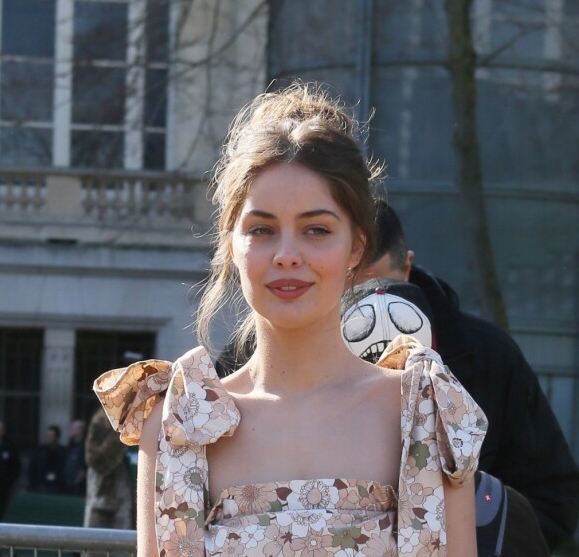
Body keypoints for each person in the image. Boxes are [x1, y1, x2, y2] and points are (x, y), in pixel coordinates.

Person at [93, 83, 487, 556]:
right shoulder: (179, 425)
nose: (286, 255)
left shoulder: (424, 415)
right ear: (232, 246)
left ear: (355, 247)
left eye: (315, 230)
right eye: (262, 230)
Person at [361, 200, 579, 553]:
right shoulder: (262, 366)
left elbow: (554, 498)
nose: (365, 306)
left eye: (374, 285)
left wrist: (480, 527)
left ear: (406, 269)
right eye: (346, 288)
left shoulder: (488, 355)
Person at [83, 408, 133, 531]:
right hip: (105, 493)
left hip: (126, 492)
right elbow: (94, 458)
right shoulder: (103, 419)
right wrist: (121, 434)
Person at [27, 425, 66, 494]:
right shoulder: (39, 450)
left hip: (56, 485)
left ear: (56, 438)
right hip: (41, 484)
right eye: (48, 436)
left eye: (51, 436)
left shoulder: (62, 452)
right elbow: (33, 467)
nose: (48, 438)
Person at [0, 419, 21, 521]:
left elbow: (15, 466)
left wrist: (10, 480)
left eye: (0, 429)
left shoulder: (9, 446)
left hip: (3, 486)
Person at [64, 419, 87, 496]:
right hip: (66, 485)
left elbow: (84, 467)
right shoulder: (70, 445)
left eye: (73, 428)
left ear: (80, 430)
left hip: (78, 488)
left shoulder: (85, 447)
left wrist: (76, 482)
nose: (71, 430)